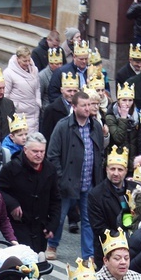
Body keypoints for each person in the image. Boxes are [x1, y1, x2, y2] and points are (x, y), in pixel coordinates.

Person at [46, 91, 104, 262]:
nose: (88, 109)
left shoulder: (96, 127)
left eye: (90, 105)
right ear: (74, 106)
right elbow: (53, 155)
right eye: (84, 105)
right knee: (60, 216)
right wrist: (61, 177)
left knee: (88, 220)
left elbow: (100, 153)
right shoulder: (63, 126)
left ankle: (88, 255)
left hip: (89, 181)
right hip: (67, 183)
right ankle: (52, 245)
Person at [0, 132, 61, 253]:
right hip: (19, 223)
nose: (39, 155)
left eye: (42, 151)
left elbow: (55, 199)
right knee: (23, 262)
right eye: (35, 151)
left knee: (37, 265)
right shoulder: (11, 168)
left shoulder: (50, 169)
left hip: (40, 226)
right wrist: (12, 204)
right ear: (25, 150)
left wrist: (52, 225)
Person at [4, 46, 41, 134]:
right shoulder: (8, 73)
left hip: (34, 112)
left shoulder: (34, 70)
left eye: (29, 60)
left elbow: (37, 87)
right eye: (24, 61)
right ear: (18, 59)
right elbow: (5, 95)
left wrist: (38, 101)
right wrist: (14, 107)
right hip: (19, 113)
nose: (27, 63)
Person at [40, 69, 78, 141]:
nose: (72, 94)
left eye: (75, 91)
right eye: (69, 91)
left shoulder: (80, 107)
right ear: (61, 90)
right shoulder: (51, 110)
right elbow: (46, 136)